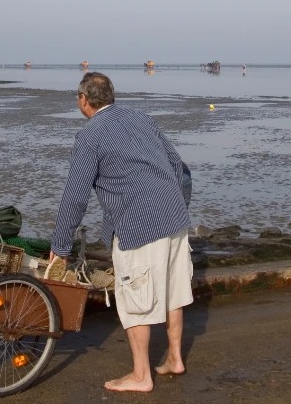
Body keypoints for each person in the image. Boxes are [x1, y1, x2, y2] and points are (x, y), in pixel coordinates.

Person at [50, 72, 192, 393]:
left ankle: (142, 376)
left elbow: (75, 196)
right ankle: (174, 358)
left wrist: (59, 246)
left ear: (84, 100)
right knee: (173, 290)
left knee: (135, 299)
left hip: (139, 227)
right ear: (111, 96)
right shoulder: (141, 118)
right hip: (175, 218)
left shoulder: (90, 135)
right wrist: (176, 206)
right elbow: (178, 165)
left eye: (78, 98)